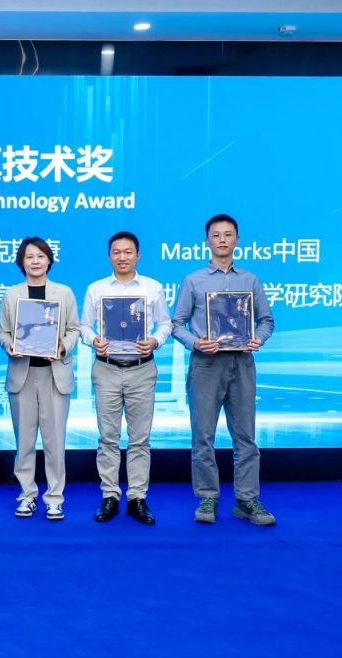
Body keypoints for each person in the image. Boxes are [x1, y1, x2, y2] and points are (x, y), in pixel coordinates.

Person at [172, 213, 276, 525]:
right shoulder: (193, 280)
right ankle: (207, 497)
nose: (222, 240)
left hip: (241, 363)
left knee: (245, 436)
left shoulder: (250, 280)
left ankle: (247, 499)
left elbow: (266, 320)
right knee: (203, 436)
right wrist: (196, 342)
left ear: (237, 240)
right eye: (216, 235)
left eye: (228, 234)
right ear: (207, 241)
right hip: (206, 365)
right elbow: (177, 324)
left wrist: (259, 338)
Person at [80, 231, 172, 525]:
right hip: (106, 367)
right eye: (116, 252)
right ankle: (110, 495)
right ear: (109, 256)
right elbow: (84, 326)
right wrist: (93, 340)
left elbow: (166, 324)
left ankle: (137, 497)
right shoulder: (96, 289)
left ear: (138, 255)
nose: (122, 257)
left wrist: (155, 341)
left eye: (128, 252)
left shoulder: (153, 287)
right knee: (107, 437)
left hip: (141, 368)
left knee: (140, 438)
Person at [0, 237, 79, 521]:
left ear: (49, 260)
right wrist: (8, 345)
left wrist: (63, 346)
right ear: (21, 261)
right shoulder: (11, 294)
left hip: (55, 375)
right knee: (24, 440)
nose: (35, 261)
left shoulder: (64, 292)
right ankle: (27, 494)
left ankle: (55, 497)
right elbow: (2, 332)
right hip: (23, 374)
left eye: (40, 256)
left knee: (55, 441)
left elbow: (74, 329)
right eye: (29, 256)